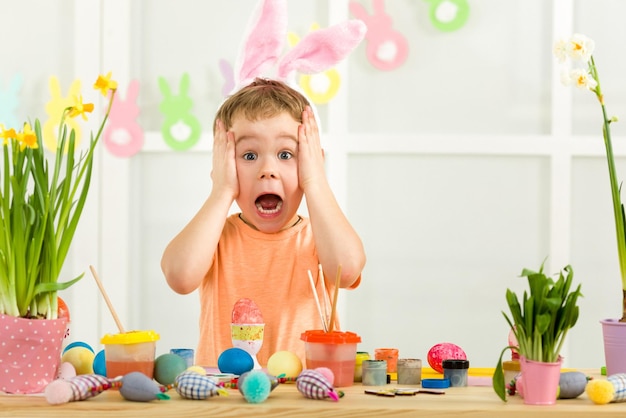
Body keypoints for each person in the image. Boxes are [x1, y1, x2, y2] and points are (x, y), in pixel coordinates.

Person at [161, 78, 366, 367]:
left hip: (301, 397)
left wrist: (315, 182)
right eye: (249, 155)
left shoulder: (317, 236)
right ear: (223, 166)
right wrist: (221, 190)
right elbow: (179, 277)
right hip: (226, 399)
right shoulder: (216, 236)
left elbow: (347, 270)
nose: (267, 170)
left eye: (286, 154)